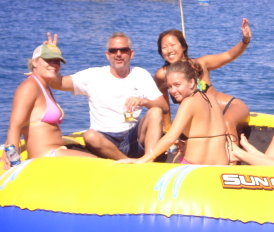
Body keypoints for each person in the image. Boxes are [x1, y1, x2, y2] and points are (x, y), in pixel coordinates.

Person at [50, 32, 169, 160]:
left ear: (131, 53)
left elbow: (164, 106)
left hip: (132, 136)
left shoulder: (140, 74)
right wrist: (52, 57)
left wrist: (143, 101)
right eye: (113, 51)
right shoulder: (93, 75)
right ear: (107, 55)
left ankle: (149, 161)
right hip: (105, 139)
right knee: (90, 136)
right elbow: (58, 83)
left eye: (123, 50)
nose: (118, 54)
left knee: (155, 111)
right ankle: (127, 162)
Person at [154, 18, 251, 143]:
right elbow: (164, 105)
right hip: (200, 118)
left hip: (228, 107)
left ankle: (232, 161)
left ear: (183, 46)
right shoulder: (162, 74)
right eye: (164, 47)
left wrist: (245, 39)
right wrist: (167, 128)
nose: (169, 50)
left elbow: (229, 55)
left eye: (173, 45)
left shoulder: (201, 64)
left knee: (226, 123)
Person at [2, 42, 95, 170]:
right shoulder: (29, 87)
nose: (54, 65)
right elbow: (15, 125)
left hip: (57, 151)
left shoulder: (44, 86)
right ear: (34, 62)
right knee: (101, 164)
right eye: (48, 60)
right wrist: (12, 159)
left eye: (57, 61)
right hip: (46, 156)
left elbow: (60, 82)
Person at [117, 61, 229, 165]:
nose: (173, 91)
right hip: (221, 166)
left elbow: (171, 137)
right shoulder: (211, 99)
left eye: (177, 85)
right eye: (170, 86)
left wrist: (144, 159)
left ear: (191, 82)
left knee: (175, 160)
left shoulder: (188, 102)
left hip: (194, 166)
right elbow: (207, 135)